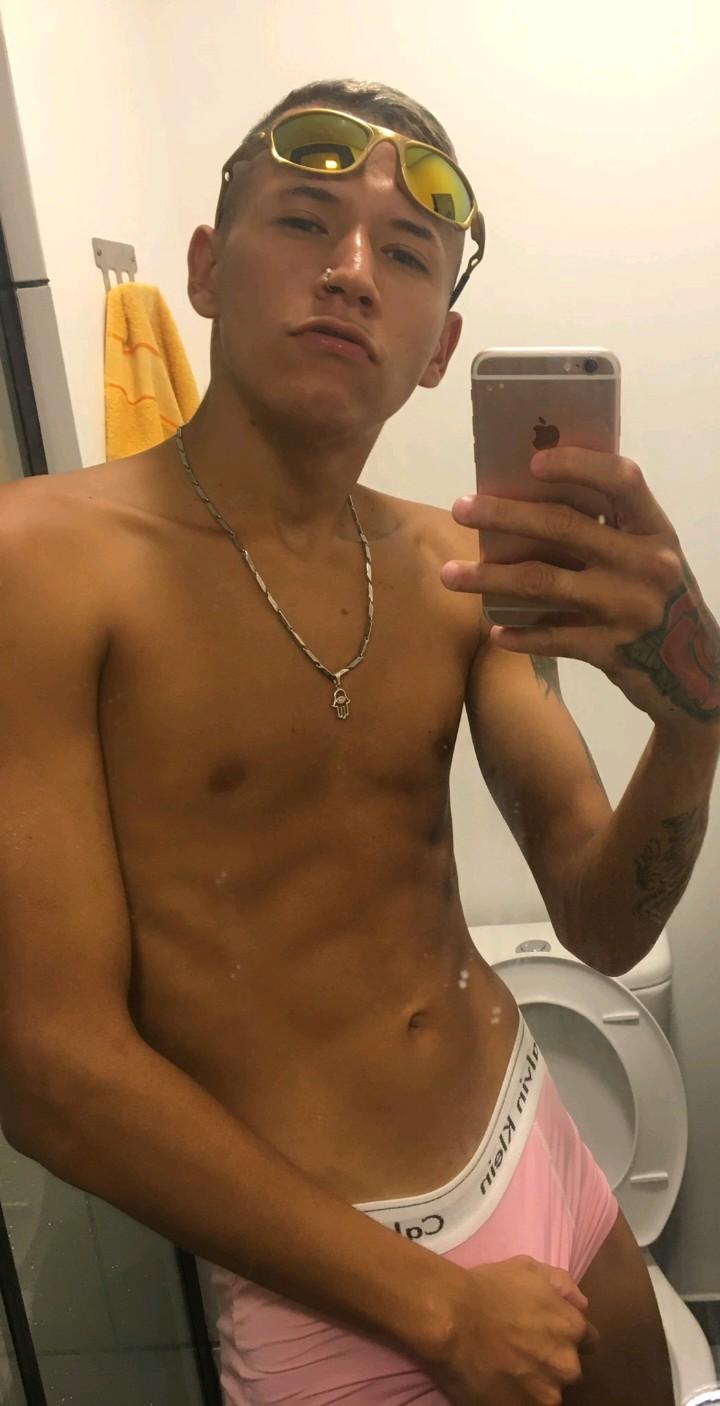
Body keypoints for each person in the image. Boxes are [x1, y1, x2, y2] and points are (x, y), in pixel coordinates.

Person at [1, 76, 718, 1406]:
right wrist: (439, 1307)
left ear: (440, 346)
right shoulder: (40, 566)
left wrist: (692, 720)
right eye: (303, 221)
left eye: (405, 253)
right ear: (205, 270)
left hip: (534, 1139)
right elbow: (47, 1067)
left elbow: (604, 923)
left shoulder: (460, 571)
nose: (349, 272)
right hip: (330, 1269)